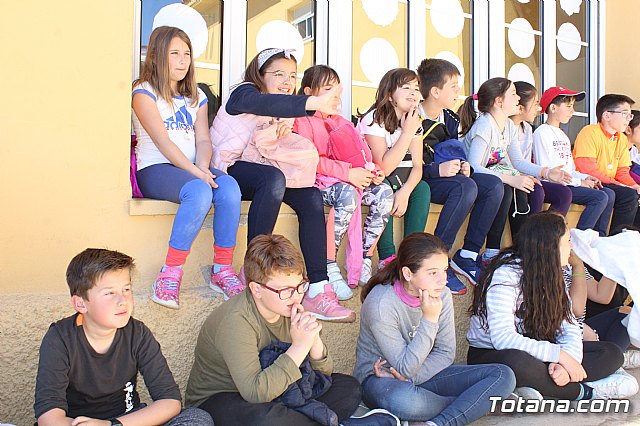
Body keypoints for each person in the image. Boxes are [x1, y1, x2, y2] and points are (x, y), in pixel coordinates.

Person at [210, 48, 354, 322]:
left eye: (291, 75)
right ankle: (252, 270)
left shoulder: (284, 107)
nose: (287, 81)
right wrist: (313, 103)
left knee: (310, 196)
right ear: (259, 74)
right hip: (229, 167)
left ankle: (318, 288)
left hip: (265, 169)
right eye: (278, 74)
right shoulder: (243, 94)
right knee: (273, 179)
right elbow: (268, 104)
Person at [184, 234, 362, 425]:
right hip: (225, 398)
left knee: (348, 388)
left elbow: (324, 374)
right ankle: (317, 419)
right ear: (256, 290)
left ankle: (308, 419)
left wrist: (313, 340)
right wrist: (300, 347)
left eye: (300, 286)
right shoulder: (236, 320)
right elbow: (255, 392)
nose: (296, 297)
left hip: (280, 391)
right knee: (266, 419)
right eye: (286, 290)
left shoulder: (289, 307)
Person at [467, 211, 638, 400]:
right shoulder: (506, 274)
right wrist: (560, 356)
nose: (571, 247)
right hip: (493, 354)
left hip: (540, 350)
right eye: (566, 242)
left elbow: (570, 327)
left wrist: (568, 362)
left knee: (611, 353)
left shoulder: (553, 273)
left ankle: (535, 387)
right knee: (517, 363)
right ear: (549, 247)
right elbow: (503, 339)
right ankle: (584, 391)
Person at [34, 248, 213, 426]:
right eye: (110, 293)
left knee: (197, 418)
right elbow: (48, 417)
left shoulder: (138, 334)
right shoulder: (60, 338)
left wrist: (112, 425)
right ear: (81, 303)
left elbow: (170, 401)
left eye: (126, 289)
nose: (123, 300)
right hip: (78, 423)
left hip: (126, 420)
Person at [131, 26, 242, 308]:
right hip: (156, 168)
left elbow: (204, 139)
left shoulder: (196, 97)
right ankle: (170, 273)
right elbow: (163, 141)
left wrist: (203, 166)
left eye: (187, 54)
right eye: (175, 54)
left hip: (192, 167)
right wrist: (197, 174)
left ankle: (222, 270)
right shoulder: (143, 92)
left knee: (229, 187)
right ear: (157, 57)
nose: (183, 60)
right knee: (199, 192)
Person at [354, 233, 516, 424]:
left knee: (503, 375)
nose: (443, 280)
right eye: (433, 273)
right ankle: (475, 405)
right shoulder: (381, 303)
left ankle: (438, 422)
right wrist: (429, 319)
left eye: (445, 270)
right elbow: (404, 367)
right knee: (406, 402)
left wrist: (411, 378)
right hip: (382, 380)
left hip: (423, 373)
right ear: (407, 274)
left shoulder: (442, 294)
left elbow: (446, 352)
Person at [294, 65, 393, 299]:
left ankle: (365, 258)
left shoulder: (341, 121)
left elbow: (361, 154)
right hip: (316, 182)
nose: (335, 96)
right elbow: (310, 159)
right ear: (309, 92)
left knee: (384, 193)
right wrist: (348, 173)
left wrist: (372, 171)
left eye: (337, 90)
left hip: (345, 179)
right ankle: (329, 264)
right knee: (346, 193)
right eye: (328, 89)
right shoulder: (300, 120)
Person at [459, 78, 571, 264]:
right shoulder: (485, 125)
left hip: (493, 177)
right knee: (504, 186)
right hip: (475, 177)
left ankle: (511, 251)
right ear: (499, 101)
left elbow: (518, 161)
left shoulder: (508, 126)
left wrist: (546, 172)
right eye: (513, 93)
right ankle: (491, 250)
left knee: (520, 186)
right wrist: (510, 179)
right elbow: (474, 167)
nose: (518, 97)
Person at [416, 58, 504, 293]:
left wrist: (464, 166)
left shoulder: (451, 119)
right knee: (466, 188)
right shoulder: (413, 116)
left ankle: (467, 254)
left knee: (493, 185)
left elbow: (453, 151)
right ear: (435, 91)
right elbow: (407, 164)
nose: (458, 92)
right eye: (453, 86)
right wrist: (437, 170)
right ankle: (438, 260)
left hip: (449, 178)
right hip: (421, 179)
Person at [357, 68, 431, 287]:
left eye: (416, 88)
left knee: (423, 188)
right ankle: (387, 257)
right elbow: (384, 167)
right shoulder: (375, 119)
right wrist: (407, 132)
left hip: (402, 179)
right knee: (386, 187)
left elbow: (418, 166)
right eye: (406, 87)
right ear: (390, 94)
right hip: (376, 179)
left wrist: (406, 192)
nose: (413, 93)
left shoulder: (413, 119)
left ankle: (412, 255)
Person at [532, 86, 615, 236]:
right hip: (554, 184)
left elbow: (570, 169)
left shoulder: (563, 135)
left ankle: (599, 238)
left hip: (568, 181)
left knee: (608, 193)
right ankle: (579, 238)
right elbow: (549, 171)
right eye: (568, 106)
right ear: (553, 108)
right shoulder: (541, 133)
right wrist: (579, 183)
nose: (573, 111)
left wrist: (584, 178)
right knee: (600, 197)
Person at [574, 94, 640, 235]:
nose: (628, 119)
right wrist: (619, 184)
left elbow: (622, 171)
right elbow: (588, 170)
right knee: (626, 194)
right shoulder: (590, 132)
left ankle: (623, 240)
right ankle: (612, 238)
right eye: (624, 114)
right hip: (588, 181)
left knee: (633, 193)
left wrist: (633, 185)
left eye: (630, 116)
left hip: (609, 183)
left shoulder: (621, 138)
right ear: (607, 115)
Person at [511, 82, 573, 217]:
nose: (539, 109)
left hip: (527, 176)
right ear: (520, 107)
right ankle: (532, 234)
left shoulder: (527, 129)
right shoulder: (507, 128)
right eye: (535, 104)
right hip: (508, 177)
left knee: (563, 193)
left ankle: (548, 235)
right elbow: (510, 162)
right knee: (537, 191)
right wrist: (543, 173)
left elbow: (524, 161)